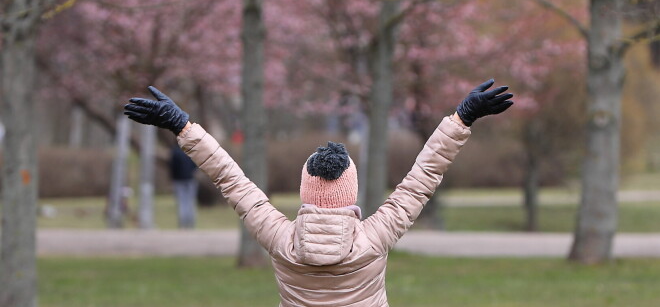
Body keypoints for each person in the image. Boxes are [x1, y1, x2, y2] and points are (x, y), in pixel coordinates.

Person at [124, 79, 513, 307]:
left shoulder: (280, 239)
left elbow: (230, 179)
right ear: (352, 191)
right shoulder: (374, 239)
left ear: (305, 189)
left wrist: (183, 127)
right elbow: (423, 176)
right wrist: (462, 118)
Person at [170, 143, 198, 228]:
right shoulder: (190, 150)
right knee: (190, 201)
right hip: (190, 178)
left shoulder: (175, 152)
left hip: (179, 180)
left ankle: (183, 223)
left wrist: (172, 178)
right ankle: (191, 223)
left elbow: (173, 167)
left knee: (182, 202)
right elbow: (195, 164)